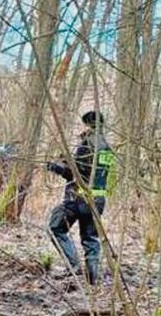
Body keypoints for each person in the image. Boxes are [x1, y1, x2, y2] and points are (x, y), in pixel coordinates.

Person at [46, 110, 115, 284]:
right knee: (91, 238)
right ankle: (93, 280)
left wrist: (56, 167)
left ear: (87, 124)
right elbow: (94, 172)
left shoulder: (86, 145)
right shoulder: (107, 147)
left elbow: (75, 174)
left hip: (78, 198)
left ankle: (74, 266)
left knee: (56, 228)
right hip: (97, 200)